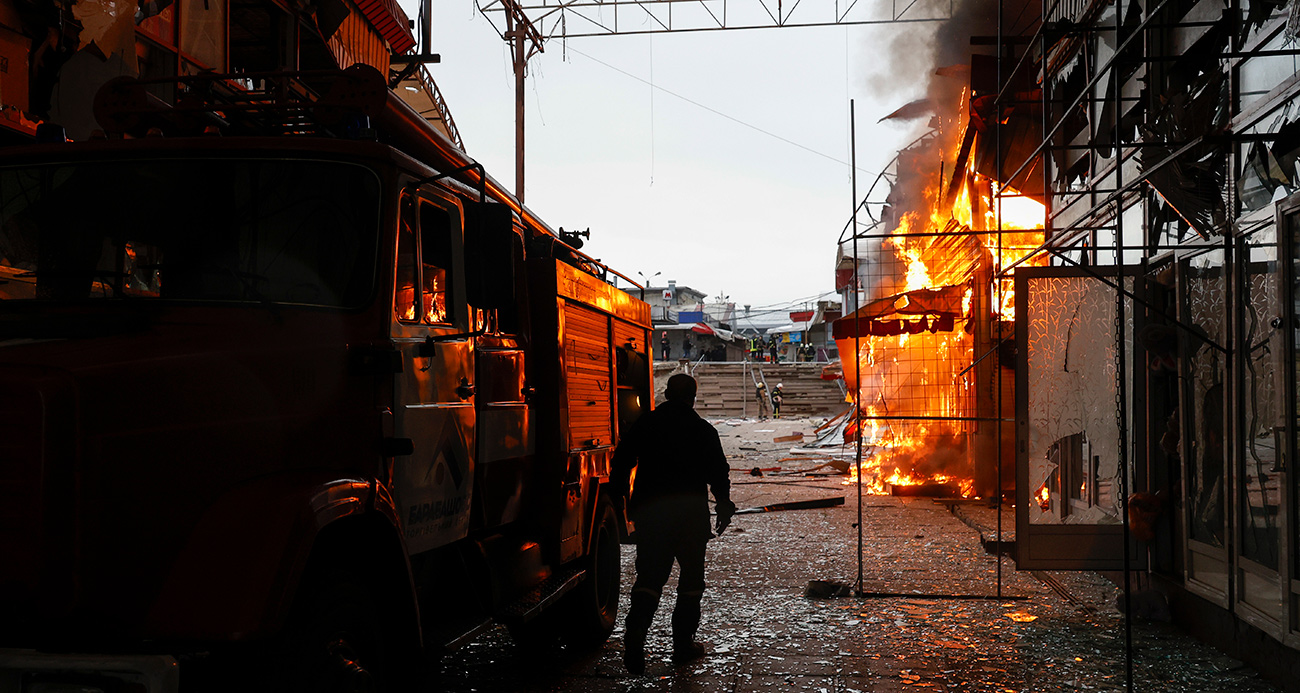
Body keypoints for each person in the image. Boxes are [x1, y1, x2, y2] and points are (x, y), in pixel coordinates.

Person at [611, 374, 735, 674]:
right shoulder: (703, 430)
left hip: (652, 513)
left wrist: (620, 503)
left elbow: (622, 461)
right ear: (693, 397)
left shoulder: (646, 424)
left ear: (666, 394)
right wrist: (723, 505)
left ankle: (636, 635)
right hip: (690, 515)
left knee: (650, 577)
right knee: (691, 582)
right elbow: (718, 471)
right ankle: (682, 644)